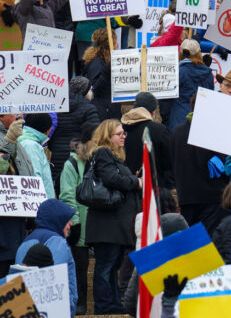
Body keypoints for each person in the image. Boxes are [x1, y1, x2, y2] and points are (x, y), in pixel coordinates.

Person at [84, 119, 141, 315]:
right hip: (106, 225)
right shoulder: (102, 152)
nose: (124, 136)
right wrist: (136, 182)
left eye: (124, 133)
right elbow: (112, 179)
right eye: (119, 134)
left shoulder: (112, 156)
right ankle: (104, 305)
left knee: (112, 265)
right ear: (107, 137)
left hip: (114, 224)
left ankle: (113, 302)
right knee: (105, 265)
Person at [172, 95, 229, 234]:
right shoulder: (214, 131)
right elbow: (224, 165)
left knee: (191, 242)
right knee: (209, 240)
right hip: (212, 197)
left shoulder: (177, 132)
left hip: (186, 196)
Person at [14, 198, 78, 316]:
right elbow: (55, 282)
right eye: (67, 219)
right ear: (58, 219)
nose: (71, 224)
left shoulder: (24, 242)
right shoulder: (58, 242)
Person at [58, 122, 97, 315]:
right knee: (81, 268)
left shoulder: (101, 158)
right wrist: (75, 223)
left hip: (100, 223)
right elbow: (67, 196)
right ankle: (81, 303)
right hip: (81, 225)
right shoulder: (72, 163)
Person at [49, 77, 98, 192]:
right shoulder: (89, 108)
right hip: (80, 157)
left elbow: (51, 132)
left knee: (60, 190)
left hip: (57, 155)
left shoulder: (57, 106)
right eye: (90, 89)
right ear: (85, 91)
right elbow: (95, 135)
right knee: (78, 191)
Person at [122, 92, 173, 189]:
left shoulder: (120, 129)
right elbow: (169, 162)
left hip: (127, 186)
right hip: (154, 189)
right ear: (153, 112)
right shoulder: (160, 131)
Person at [0, 116, 29, 277]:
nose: (20, 116)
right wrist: (9, 141)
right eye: (13, 111)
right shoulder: (9, 137)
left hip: (16, 218)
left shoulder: (16, 137)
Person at [168, 39, 214, 131]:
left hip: (179, 122)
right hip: (200, 122)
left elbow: (167, 99)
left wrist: (166, 119)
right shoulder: (208, 73)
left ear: (180, 53)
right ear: (199, 53)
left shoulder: (179, 71)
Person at [83, 28, 120, 121]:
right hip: (103, 111)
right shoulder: (97, 63)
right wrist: (107, 72)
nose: (117, 45)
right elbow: (95, 88)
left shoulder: (103, 61)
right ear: (109, 45)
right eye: (115, 42)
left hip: (108, 107)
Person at [17, 113, 55, 198]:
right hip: (38, 204)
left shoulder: (29, 142)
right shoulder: (30, 145)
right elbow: (34, 178)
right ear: (46, 130)